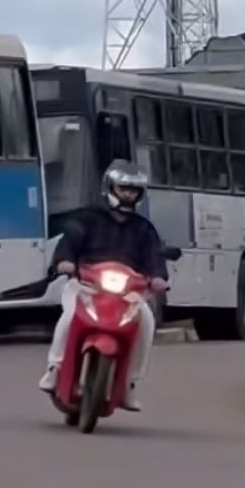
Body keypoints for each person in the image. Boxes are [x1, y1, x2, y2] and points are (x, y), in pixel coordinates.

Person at [37, 160, 168, 411]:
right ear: (110, 187)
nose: (128, 194)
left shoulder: (144, 229)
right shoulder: (87, 218)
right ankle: (54, 369)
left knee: (146, 323)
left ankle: (130, 384)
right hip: (85, 285)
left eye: (133, 190)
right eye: (123, 188)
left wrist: (158, 277)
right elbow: (69, 242)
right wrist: (64, 261)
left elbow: (154, 258)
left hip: (127, 293)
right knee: (68, 316)